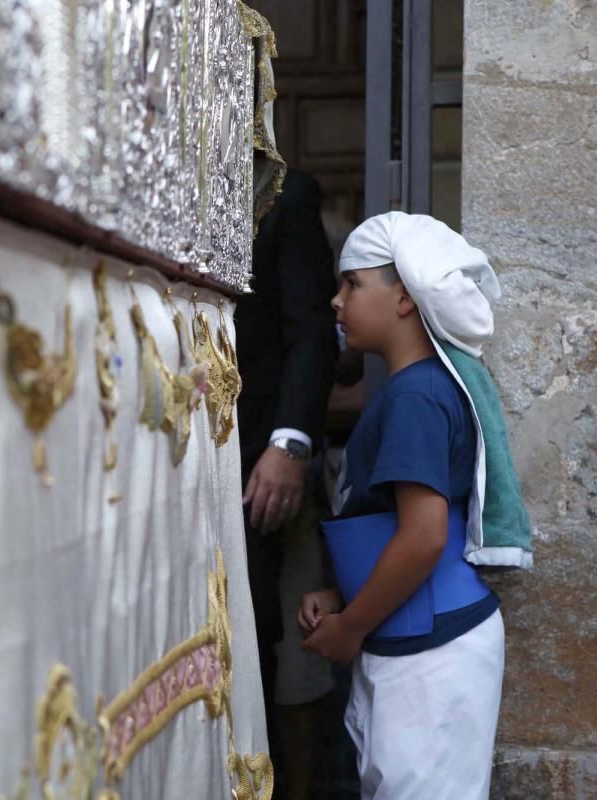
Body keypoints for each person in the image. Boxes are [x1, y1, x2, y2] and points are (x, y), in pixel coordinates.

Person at [298, 211, 532, 798]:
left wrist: (350, 626)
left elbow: (425, 536)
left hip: (430, 652)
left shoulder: (417, 397)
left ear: (405, 296)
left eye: (351, 283)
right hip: (410, 642)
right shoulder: (414, 390)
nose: (336, 300)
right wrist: (345, 595)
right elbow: (396, 525)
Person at [235, 169, 338, 798]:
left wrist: (288, 444)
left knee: (258, 633)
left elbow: (310, 332)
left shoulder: (283, 192)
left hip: (257, 458)